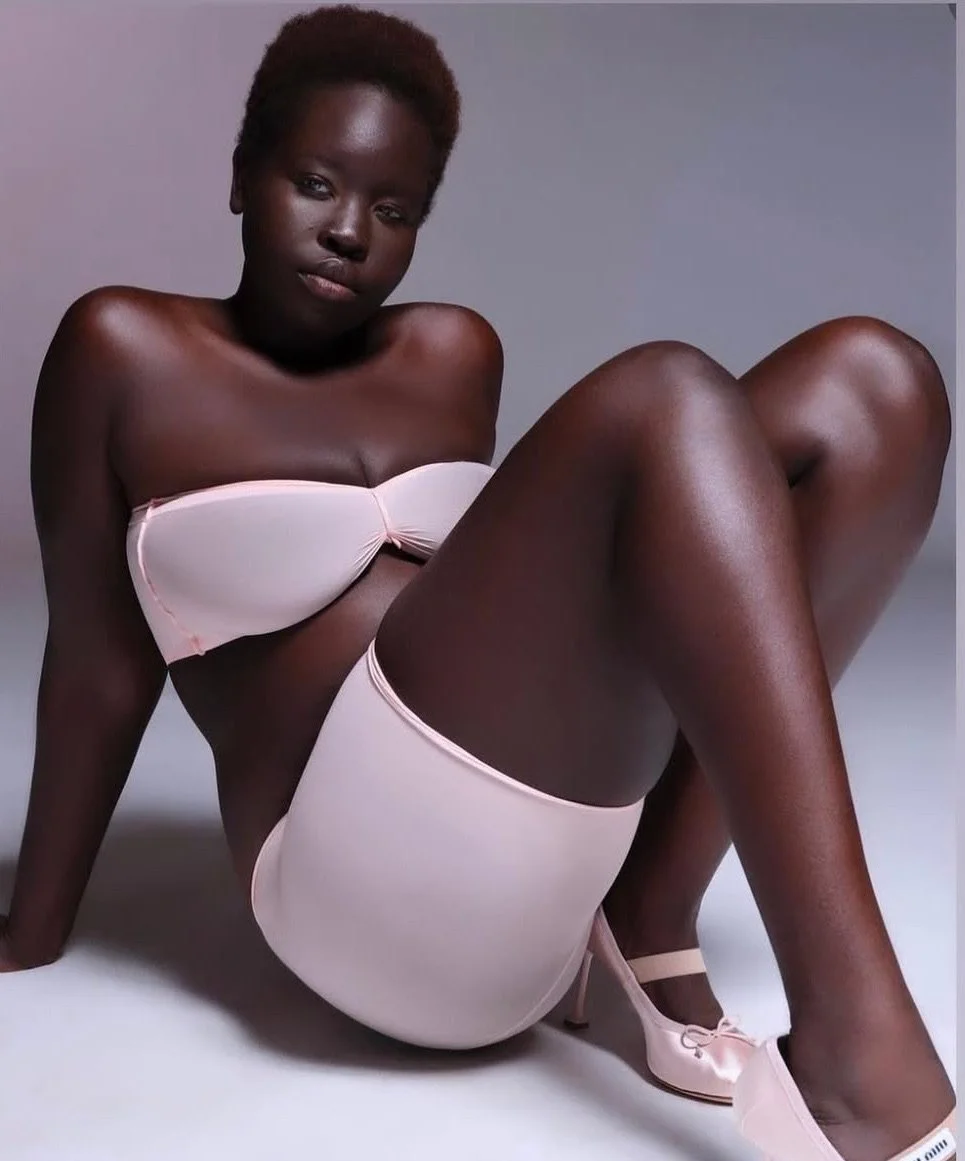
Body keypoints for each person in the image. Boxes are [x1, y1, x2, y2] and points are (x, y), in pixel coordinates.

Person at [0, 6, 955, 1160]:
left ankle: (646, 915)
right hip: (354, 895)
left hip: (521, 849)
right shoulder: (122, 351)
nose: (350, 232)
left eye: (393, 211)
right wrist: (33, 928)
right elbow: (101, 668)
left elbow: (538, 613)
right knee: (663, 397)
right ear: (243, 178)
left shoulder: (453, 353)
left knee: (875, 386)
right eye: (315, 184)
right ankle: (859, 1060)